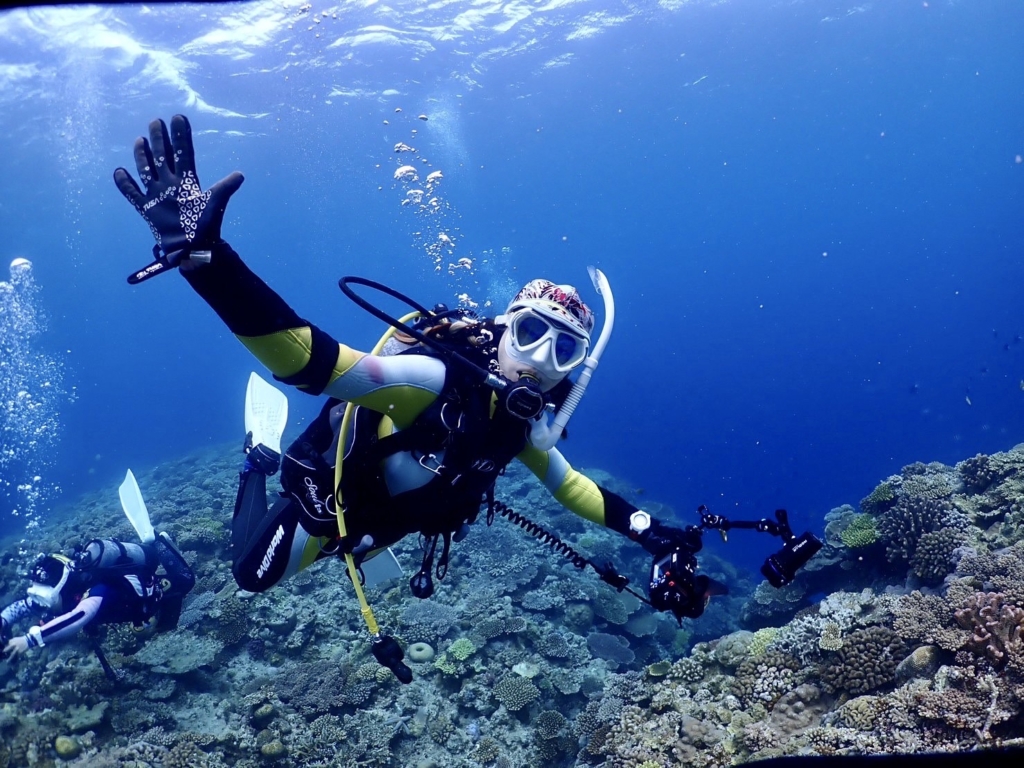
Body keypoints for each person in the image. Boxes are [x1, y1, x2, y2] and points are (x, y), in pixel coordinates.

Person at [113, 115, 818, 680]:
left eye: (564, 350)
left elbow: (572, 488)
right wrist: (212, 266)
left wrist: (651, 533)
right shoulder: (434, 380)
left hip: (393, 522)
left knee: (338, 552)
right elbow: (312, 362)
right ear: (503, 328)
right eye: (531, 334)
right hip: (330, 500)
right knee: (249, 575)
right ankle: (255, 463)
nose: (540, 361)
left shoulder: (524, 423)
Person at [1, 532, 195, 662]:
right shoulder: (56, 595)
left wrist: (29, 640)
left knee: (186, 580)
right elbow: (23, 606)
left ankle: (158, 542)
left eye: (42, 597)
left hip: (142, 593)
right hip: (123, 607)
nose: (39, 603)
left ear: (60, 586)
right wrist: (3, 621)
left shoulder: (97, 589)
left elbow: (79, 617)